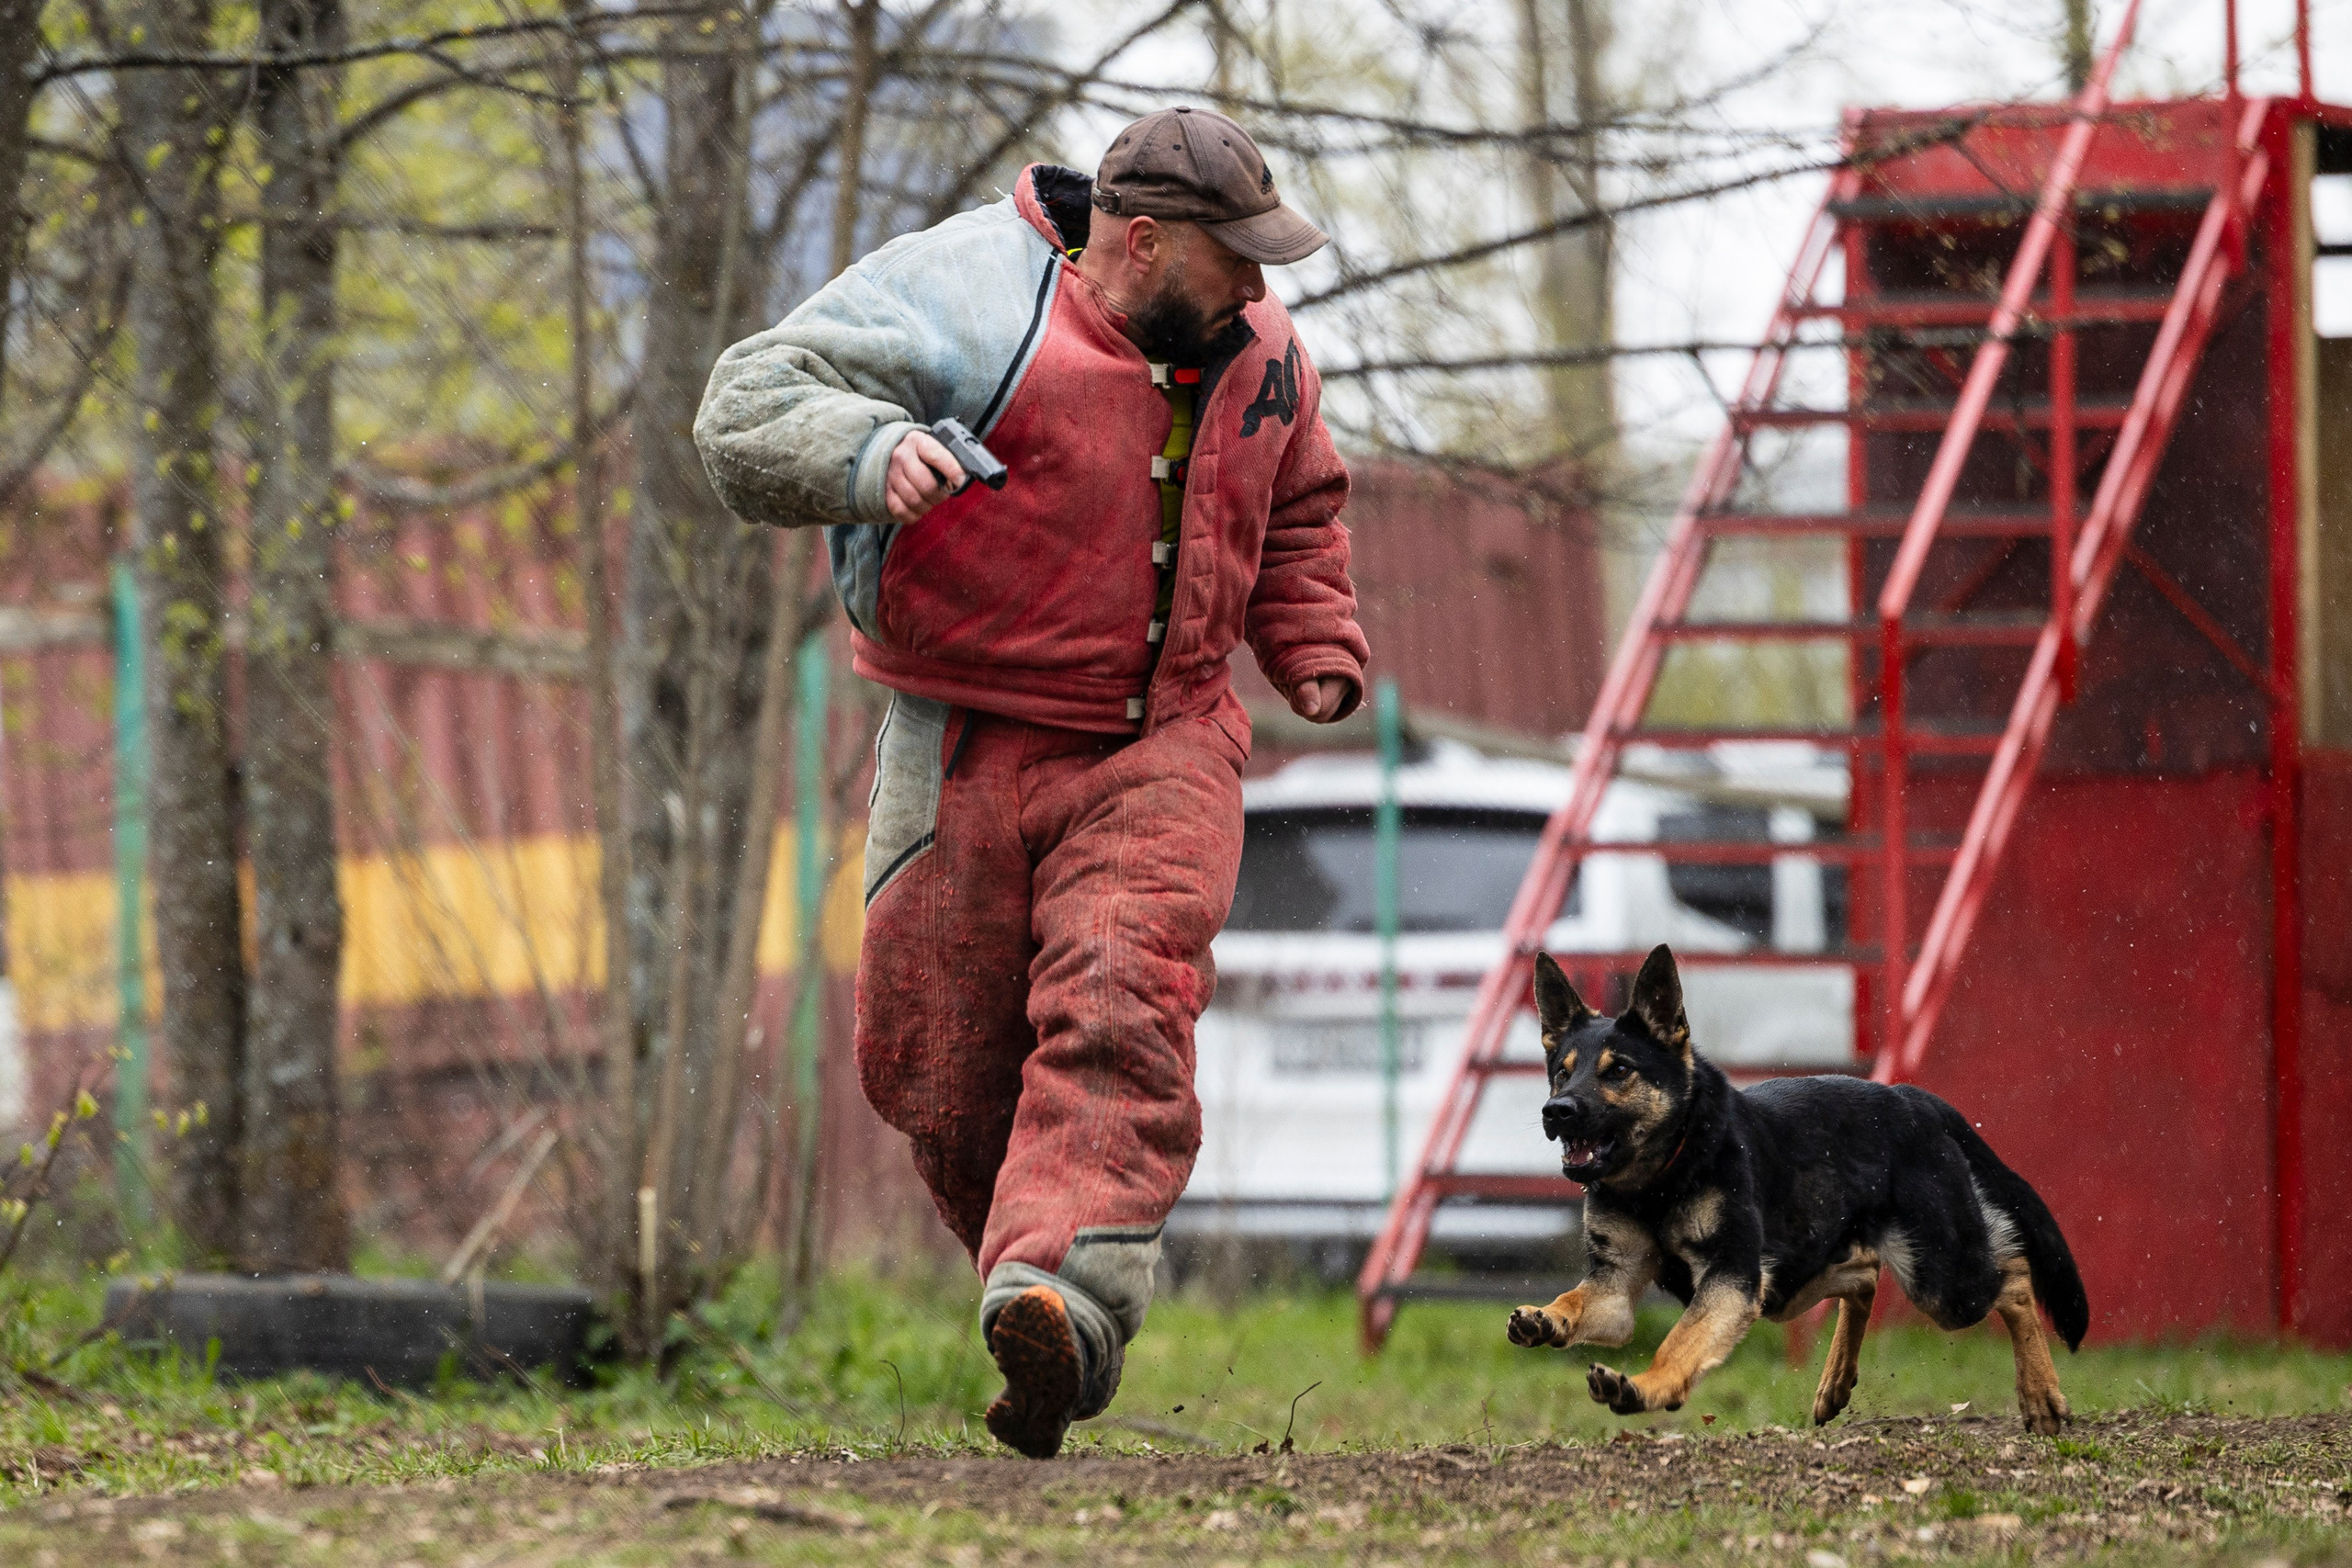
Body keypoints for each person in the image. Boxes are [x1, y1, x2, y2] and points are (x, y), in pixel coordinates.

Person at [694, 107, 1368, 1459]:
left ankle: (1068, 1290)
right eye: (1233, 260)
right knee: (934, 1072)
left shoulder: (1266, 358)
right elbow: (743, 410)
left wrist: (1314, 644)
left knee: (1124, 994)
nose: (1259, 288)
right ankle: (1039, 1312)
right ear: (1139, 239)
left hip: (1160, 740)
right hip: (957, 736)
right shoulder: (959, 295)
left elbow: (1298, 508)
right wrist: (870, 453)